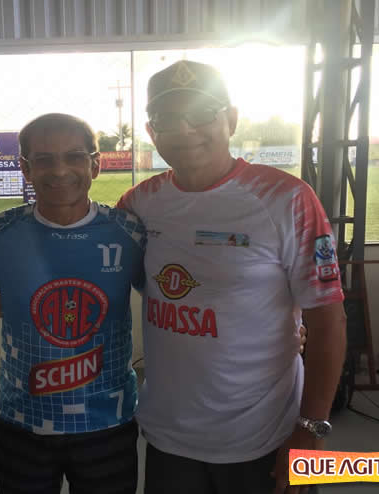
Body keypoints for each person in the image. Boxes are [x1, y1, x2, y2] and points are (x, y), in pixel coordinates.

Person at [116, 60, 347, 494]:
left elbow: (328, 320)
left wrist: (311, 428)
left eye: (202, 114)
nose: (185, 129)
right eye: (167, 118)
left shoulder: (286, 199)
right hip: (169, 436)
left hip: (264, 436)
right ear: (151, 131)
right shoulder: (139, 204)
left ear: (232, 119)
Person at [0, 113, 146, 494]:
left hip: (108, 422)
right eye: (44, 159)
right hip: (23, 423)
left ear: (95, 165)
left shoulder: (128, 230)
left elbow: (167, 304)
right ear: (25, 168)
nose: (60, 170)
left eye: (74, 156)